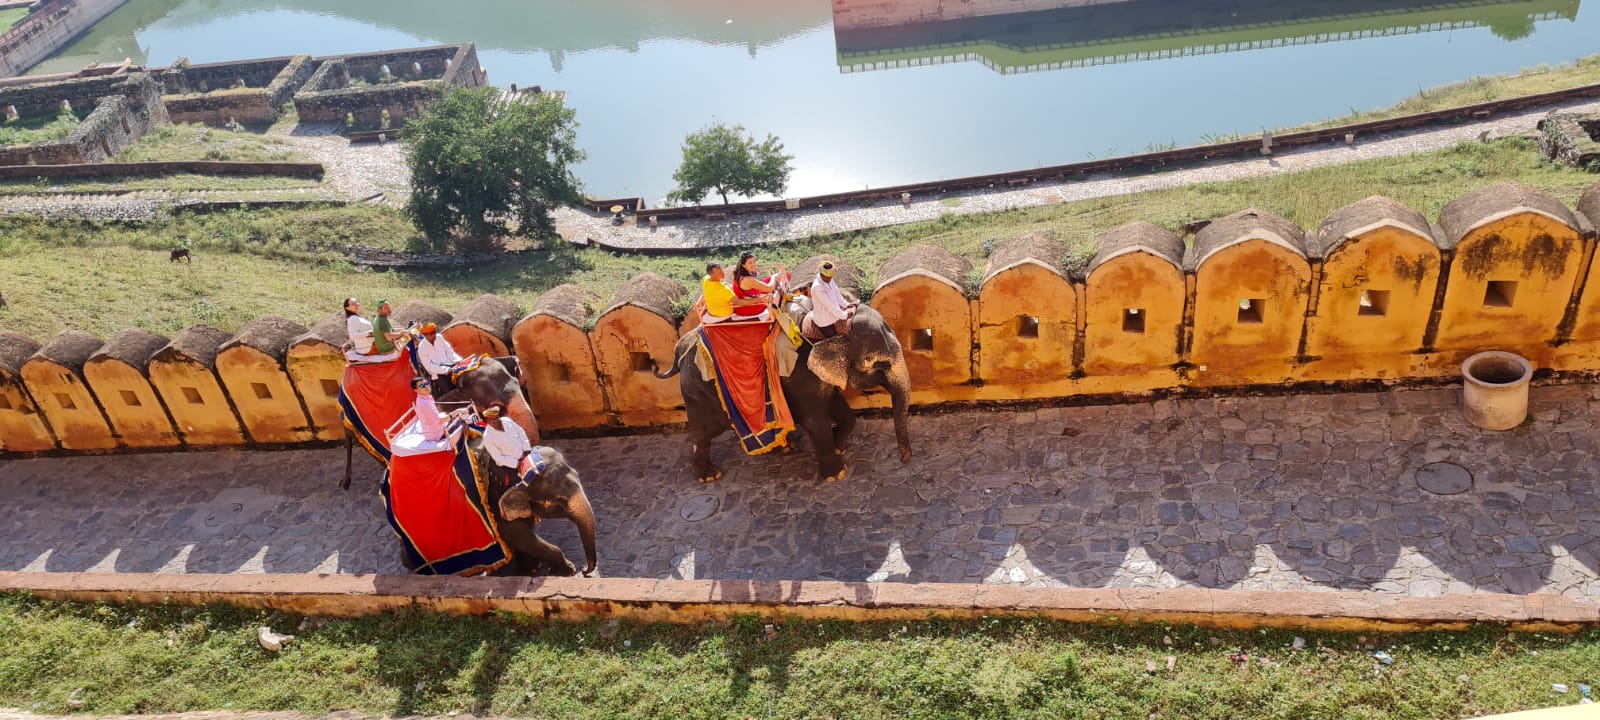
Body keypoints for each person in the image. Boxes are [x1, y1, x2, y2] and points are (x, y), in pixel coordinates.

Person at [480, 402, 532, 486]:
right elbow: (498, 458)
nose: (495, 420)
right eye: (492, 420)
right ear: (486, 421)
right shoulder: (487, 438)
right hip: (511, 465)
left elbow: (520, 432)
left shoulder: (506, 421)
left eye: (496, 417)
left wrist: (527, 449)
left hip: (525, 454)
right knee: (520, 485)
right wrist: (517, 464)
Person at [697, 262, 766, 324]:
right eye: (719, 273)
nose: (722, 273)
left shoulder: (705, 279)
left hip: (712, 311)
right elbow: (739, 302)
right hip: (725, 314)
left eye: (721, 270)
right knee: (745, 298)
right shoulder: (723, 289)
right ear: (712, 275)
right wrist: (758, 299)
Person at [410, 376, 465, 443]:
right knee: (462, 422)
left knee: (455, 417)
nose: (426, 386)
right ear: (416, 390)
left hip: (435, 428)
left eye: (426, 383)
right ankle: (462, 452)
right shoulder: (424, 403)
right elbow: (440, 421)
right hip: (437, 434)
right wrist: (457, 411)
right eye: (422, 385)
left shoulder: (426, 396)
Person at [731, 252, 786, 319]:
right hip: (749, 308)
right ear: (743, 265)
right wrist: (774, 277)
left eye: (754, 262)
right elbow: (769, 288)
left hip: (743, 305)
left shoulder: (739, 274)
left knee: (769, 280)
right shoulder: (748, 279)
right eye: (750, 263)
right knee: (772, 288)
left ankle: (779, 275)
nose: (753, 264)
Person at [809, 261, 855, 338]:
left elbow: (837, 293)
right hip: (824, 320)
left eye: (830, 277)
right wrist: (844, 315)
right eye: (826, 277)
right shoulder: (817, 287)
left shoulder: (829, 280)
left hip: (835, 314)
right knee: (836, 342)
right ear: (821, 274)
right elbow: (829, 305)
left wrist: (845, 304)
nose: (829, 279)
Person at [416, 322, 461, 399]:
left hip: (450, 365)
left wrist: (457, 360)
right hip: (438, 373)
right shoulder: (422, 348)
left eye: (434, 332)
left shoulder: (439, 337)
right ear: (425, 335)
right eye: (431, 334)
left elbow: (449, 350)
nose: (434, 335)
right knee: (450, 393)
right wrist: (445, 370)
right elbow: (428, 366)